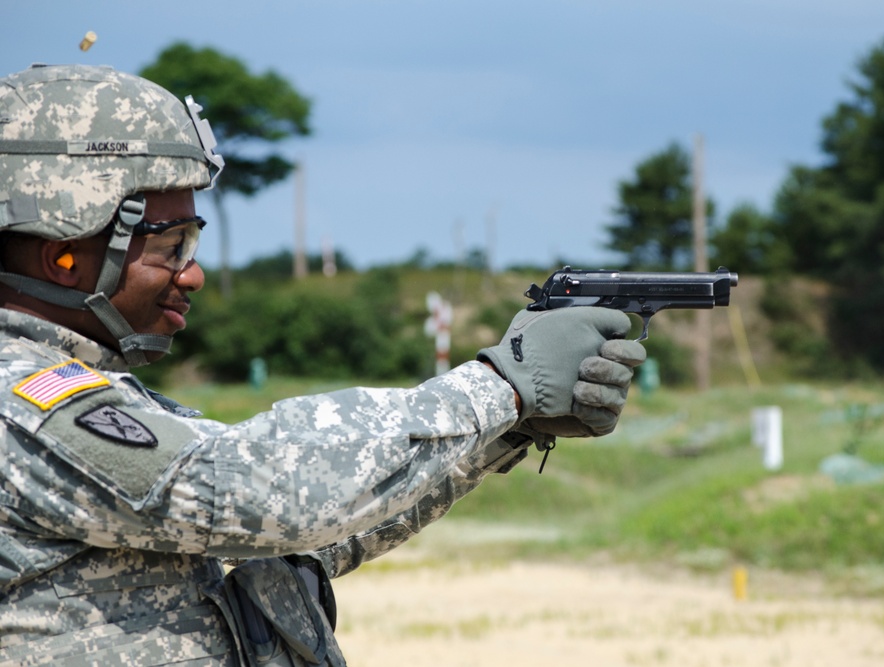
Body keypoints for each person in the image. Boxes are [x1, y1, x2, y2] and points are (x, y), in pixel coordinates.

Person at [0, 64, 645, 667]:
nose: (191, 274)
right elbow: (260, 493)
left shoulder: (86, 391)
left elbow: (287, 539)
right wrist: (498, 387)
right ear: (64, 254)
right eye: (171, 246)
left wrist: (505, 426)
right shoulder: (22, 401)